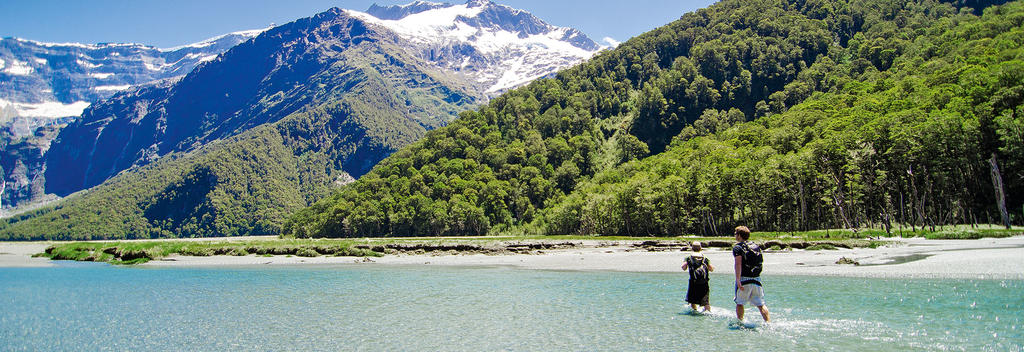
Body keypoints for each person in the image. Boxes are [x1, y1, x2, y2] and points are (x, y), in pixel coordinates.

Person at [733, 226, 770, 322]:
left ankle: (740, 322)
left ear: (739, 235)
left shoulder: (738, 247)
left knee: (740, 303)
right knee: (761, 304)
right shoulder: (755, 246)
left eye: (735, 233)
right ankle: (768, 323)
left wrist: (738, 280)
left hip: (744, 279)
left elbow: (738, 264)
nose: (735, 235)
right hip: (756, 278)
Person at [681, 241, 714, 312]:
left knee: (692, 300)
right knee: (705, 300)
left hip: (693, 281)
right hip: (704, 282)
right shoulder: (705, 257)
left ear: (692, 248)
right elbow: (711, 269)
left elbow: (683, 268)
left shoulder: (688, 257)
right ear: (700, 248)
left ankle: (695, 311)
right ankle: (708, 312)